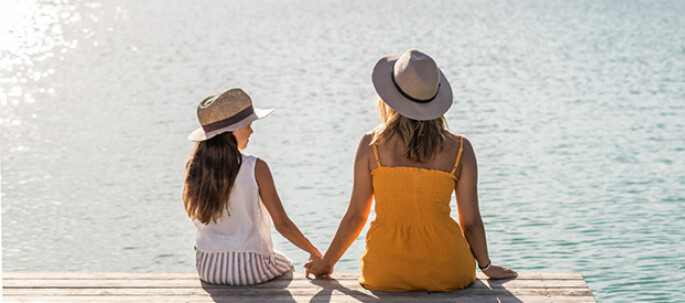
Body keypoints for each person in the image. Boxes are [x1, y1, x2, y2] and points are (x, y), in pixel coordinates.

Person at [306, 49, 516, 291]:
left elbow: (356, 216)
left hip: (384, 271)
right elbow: (470, 223)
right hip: (450, 270)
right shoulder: (460, 149)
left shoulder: (371, 145)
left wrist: (327, 263)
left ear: (390, 97)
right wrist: (487, 267)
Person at [183, 88, 321, 285]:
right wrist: (314, 252)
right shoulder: (256, 167)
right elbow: (282, 224)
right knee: (287, 264)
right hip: (249, 269)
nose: (251, 131)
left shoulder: (194, 167)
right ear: (234, 129)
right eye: (248, 124)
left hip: (208, 267)